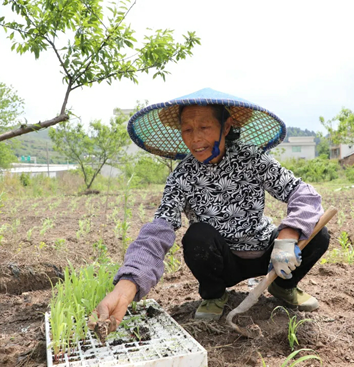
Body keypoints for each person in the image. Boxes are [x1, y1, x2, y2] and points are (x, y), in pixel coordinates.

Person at [94, 88, 329, 326]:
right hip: (221, 261)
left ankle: (282, 284)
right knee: (197, 236)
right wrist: (128, 284)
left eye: (204, 127)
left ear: (226, 127)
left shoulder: (254, 159)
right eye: (187, 129)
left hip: (267, 255)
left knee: (318, 231)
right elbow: (159, 227)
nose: (195, 138)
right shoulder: (182, 176)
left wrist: (288, 236)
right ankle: (215, 294)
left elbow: (302, 193)